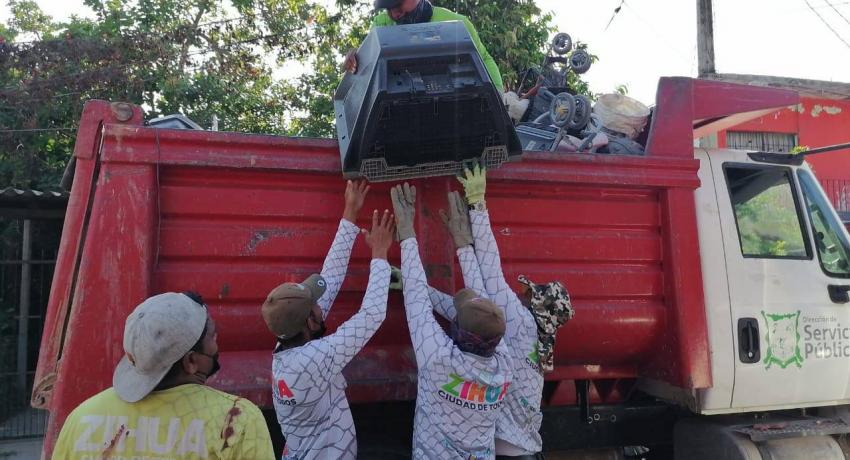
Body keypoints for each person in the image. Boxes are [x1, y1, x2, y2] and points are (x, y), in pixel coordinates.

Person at [53, 292, 275, 460]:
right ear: (190, 362)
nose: (216, 344)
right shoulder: (236, 420)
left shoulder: (80, 419)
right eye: (211, 337)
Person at [264, 180, 394, 460]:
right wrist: (379, 255)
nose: (321, 305)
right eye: (315, 305)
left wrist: (350, 211)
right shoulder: (312, 360)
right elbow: (372, 316)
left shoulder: (288, 343)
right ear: (309, 322)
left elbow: (330, 278)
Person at [458, 163, 575, 459]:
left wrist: (478, 205)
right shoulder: (540, 340)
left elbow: (489, 269)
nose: (522, 294)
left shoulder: (520, 322)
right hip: (522, 450)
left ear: (536, 306)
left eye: (530, 293)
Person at [391, 182, 512, 459]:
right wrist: (463, 246)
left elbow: (417, 302)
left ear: (456, 330)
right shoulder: (504, 367)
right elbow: (421, 303)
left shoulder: (440, 361)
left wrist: (407, 232)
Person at [344, 0, 505, 92]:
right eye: (388, 9)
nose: (394, 14)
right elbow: (369, 67)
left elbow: (484, 60)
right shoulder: (381, 24)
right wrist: (357, 57)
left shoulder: (457, 24)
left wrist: (496, 95)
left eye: (398, 5)